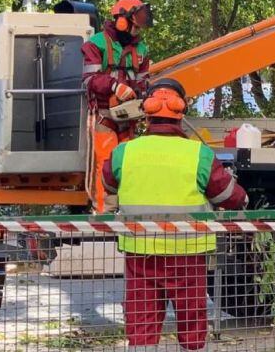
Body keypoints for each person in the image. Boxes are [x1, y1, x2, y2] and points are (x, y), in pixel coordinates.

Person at [102, 78, 248, 350]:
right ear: (182, 111)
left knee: (141, 326)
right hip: (188, 256)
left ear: (146, 111)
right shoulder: (199, 154)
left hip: (141, 254)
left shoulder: (124, 152)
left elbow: (109, 182)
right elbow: (227, 196)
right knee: (192, 326)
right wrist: (244, 197)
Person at [82, 0, 153, 211]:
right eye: (137, 18)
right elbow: (88, 79)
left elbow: (143, 82)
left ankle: (126, 210)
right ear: (122, 20)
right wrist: (115, 86)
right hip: (104, 114)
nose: (139, 25)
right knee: (105, 162)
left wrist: (144, 98)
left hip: (128, 116)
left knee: (127, 164)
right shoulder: (96, 44)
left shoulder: (141, 50)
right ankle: (104, 214)